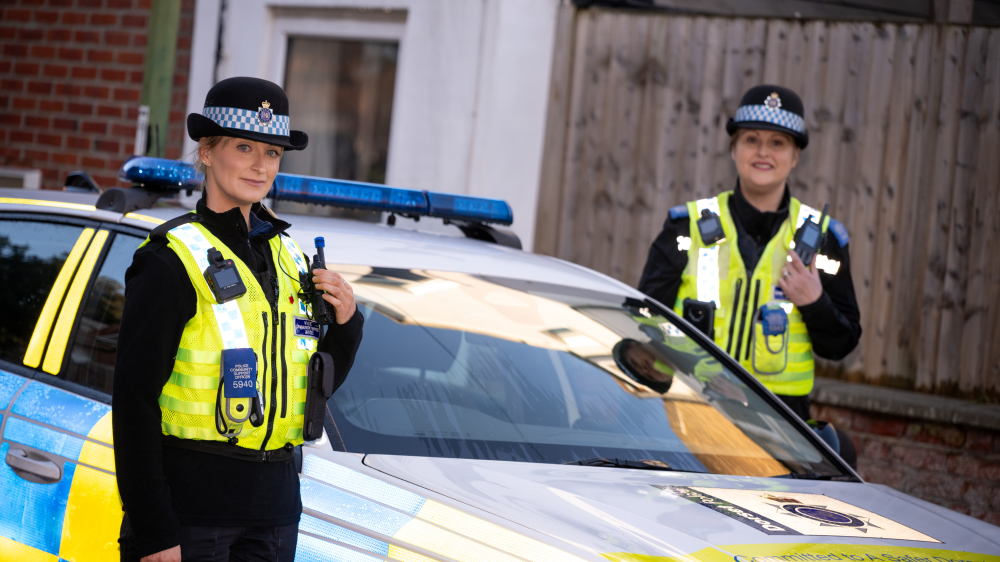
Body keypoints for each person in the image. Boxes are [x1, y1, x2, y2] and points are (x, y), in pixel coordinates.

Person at [113, 77, 365, 561]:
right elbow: (133, 402)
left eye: (272, 153)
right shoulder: (171, 257)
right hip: (190, 512)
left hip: (274, 511)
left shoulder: (291, 256)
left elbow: (316, 384)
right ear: (206, 152)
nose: (259, 164)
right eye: (244, 146)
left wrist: (349, 321)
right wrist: (155, 531)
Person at [638, 85, 860, 464]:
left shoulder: (822, 238)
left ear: (795, 157)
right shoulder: (686, 227)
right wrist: (699, 373)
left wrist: (814, 302)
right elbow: (645, 321)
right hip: (689, 419)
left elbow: (840, 344)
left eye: (778, 143)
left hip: (780, 432)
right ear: (733, 148)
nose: (762, 151)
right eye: (751, 139)